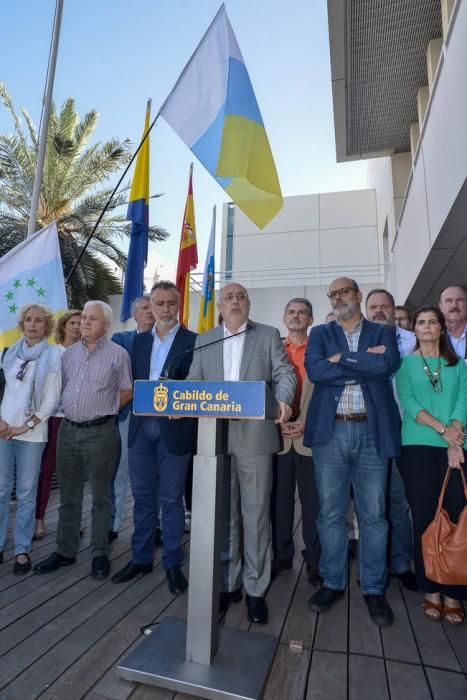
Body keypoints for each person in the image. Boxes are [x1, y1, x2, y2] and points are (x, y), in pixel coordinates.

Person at [187, 282, 296, 624]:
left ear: (249, 303)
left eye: (240, 297)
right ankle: (228, 583)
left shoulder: (268, 334)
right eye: (228, 297)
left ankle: (255, 589)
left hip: (255, 436)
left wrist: (283, 398)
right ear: (220, 305)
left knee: (256, 514)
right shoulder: (205, 340)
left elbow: (284, 371)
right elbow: (193, 380)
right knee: (223, 515)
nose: (234, 302)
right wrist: (178, 398)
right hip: (214, 436)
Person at [305, 277, 401, 627]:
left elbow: (385, 365)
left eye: (344, 292)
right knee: (330, 513)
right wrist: (360, 363)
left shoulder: (382, 331)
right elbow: (315, 370)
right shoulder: (319, 334)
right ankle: (333, 581)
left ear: (358, 296)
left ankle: (374, 587)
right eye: (332, 294)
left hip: (372, 432)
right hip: (331, 433)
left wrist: (341, 360)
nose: (337, 298)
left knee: (374, 514)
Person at [33, 301, 132, 580]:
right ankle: (65, 551)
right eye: (83, 318)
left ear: (105, 325)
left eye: (92, 319)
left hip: (101, 433)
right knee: (68, 495)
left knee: (101, 497)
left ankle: (100, 552)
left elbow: (128, 389)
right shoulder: (68, 355)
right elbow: (59, 388)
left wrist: (109, 408)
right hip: (68, 431)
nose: (84, 323)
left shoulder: (118, 355)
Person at [112, 281, 197, 595]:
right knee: (143, 498)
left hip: (174, 431)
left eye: (170, 303)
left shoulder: (195, 342)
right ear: (150, 308)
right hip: (140, 429)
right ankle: (141, 557)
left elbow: (197, 386)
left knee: (171, 499)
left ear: (178, 306)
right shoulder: (138, 343)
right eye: (158, 304)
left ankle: (173, 562)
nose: (164, 309)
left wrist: (183, 405)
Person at [396, 306, 467, 625]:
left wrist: (454, 441)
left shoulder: (459, 366)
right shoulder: (404, 365)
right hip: (417, 446)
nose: (426, 326)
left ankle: (453, 591)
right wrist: (444, 431)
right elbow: (410, 405)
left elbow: (463, 402)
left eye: (432, 322)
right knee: (425, 517)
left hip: (457, 448)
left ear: (442, 329)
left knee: (456, 513)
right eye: (421, 322)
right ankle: (430, 589)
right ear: (416, 329)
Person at [0, 304, 62, 574]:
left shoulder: (53, 356)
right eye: (28, 320)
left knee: (26, 494)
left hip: (32, 434)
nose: (33, 324)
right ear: (22, 323)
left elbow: (51, 400)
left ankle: (22, 549)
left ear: (46, 326)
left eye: (38, 321)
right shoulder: (9, 354)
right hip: (2, 430)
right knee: (1, 491)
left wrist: (25, 426)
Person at [365, 289, 417, 591]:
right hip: (369, 426)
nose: (379, 311)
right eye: (374, 307)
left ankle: (400, 562)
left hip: (403, 427)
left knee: (397, 499)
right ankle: (374, 563)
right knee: (370, 502)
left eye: (384, 306)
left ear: (393, 309)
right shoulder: (360, 339)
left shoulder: (411, 342)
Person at [271, 298, 321, 585]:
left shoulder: (320, 350)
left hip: (310, 437)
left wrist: (307, 423)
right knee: (279, 501)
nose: (297, 316)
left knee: (313, 503)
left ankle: (314, 560)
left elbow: (325, 395)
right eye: (291, 311)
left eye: (302, 312)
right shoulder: (272, 349)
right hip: (277, 437)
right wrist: (280, 421)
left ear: (311, 320)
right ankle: (281, 556)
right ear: (284, 317)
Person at [109, 295, 156, 543]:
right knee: (119, 472)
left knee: (154, 476)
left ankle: (154, 526)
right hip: (127, 415)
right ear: (135, 315)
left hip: (157, 418)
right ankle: (113, 524)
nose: (150, 312)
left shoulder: (167, 341)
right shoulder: (121, 340)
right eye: (145, 308)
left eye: (153, 308)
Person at [34, 309, 82, 540]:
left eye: (80, 323)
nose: (76, 326)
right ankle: (39, 519)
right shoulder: (52, 353)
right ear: (63, 326)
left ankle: (71, 523)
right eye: (72, 322)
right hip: (53, 419)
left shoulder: (87, 353)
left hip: (78, 420)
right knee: (46, 470)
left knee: (73, 474)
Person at [438, 285, 467, 361]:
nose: (454, 305)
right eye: (448, 301)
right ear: (440, 306)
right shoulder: (432, 336)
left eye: (460, 300)